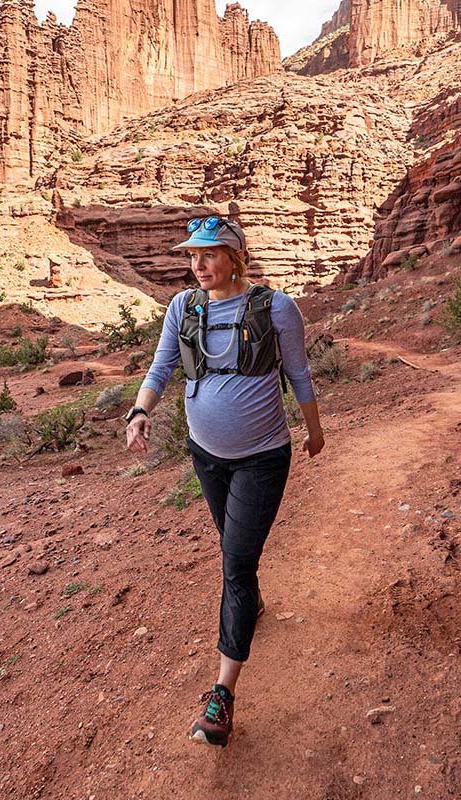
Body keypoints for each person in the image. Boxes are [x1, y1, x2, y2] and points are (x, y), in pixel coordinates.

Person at [123, 215, 324, 748]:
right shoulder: (183, 307)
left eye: (208, 254)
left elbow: (298, 372)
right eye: (192, 255)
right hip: (206, 455)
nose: (198, 264)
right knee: (234, 547)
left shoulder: (275, 306)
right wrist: (138, 412)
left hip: (262, 457)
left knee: (235, 562)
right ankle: (251, 601)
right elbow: (161, 366)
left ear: (235, 257)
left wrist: (315, 430)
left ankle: (221, 696)